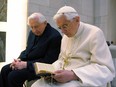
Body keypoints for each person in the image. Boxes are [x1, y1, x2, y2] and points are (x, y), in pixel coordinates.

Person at [31, 6, 115, 87]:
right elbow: (62, 59)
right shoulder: (65, 37)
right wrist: (51, 71)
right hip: (64, 77)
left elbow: (105, 69)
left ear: (77, 20)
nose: (63, 32)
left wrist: (73, 74)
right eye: (60, 28)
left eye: (65, 26)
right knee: (36, 85)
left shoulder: (95, 33)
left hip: (84, 79)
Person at [1, 12, 62, 87]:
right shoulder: (32, 32)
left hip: (41, 68)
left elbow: (49, 61)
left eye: (36, 26)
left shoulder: (55, 36)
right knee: (5, 70)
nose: (34, 30)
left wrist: (25, 65)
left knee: (13, 76)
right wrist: (19, 60)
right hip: (28, 63)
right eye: (31, 27)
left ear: (45, 23)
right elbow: (27, 50)